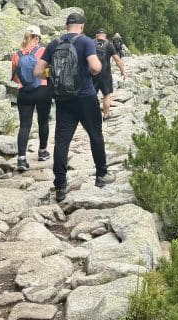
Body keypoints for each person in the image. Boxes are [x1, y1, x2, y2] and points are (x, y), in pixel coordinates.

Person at [35, 11, 114, 201]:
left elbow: (38, 72)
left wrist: (55, 75)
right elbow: (95, 67)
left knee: (62, 141)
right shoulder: (86, 42)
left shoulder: (54, 43)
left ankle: (60, 186)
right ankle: (101, 175)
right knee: (95, 134)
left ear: (66, 26)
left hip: (63, 99)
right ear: (82, 26)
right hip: (86, 96)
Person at [11, 25, 52, 172]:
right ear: (37, 38)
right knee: (43, 121)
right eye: (39, 38)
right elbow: (48, 72)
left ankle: (21, 159)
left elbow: (15, 78)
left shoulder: (16, 54)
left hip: (24, 93)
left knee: (25, 126)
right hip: (42, 90)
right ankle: (42, 152)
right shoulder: (43, 51)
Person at [93, 28, 126, 119]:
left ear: (96, 35)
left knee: (91, 95)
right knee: (106, 95)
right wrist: (123, 71)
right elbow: (117, 60)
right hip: (105, 75)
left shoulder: (91, 43)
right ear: (105, 35)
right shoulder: (109, 45)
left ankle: (89, 115)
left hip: (92, 74)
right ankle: (106, 114)